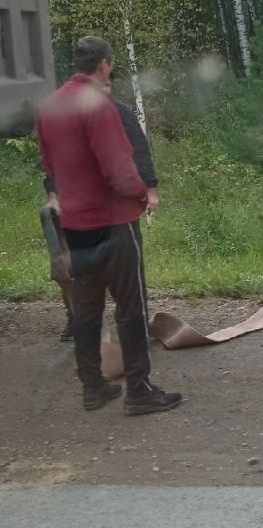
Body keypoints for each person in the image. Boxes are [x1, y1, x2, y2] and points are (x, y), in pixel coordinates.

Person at [36, 36, 182, 415]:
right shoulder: (99, 107)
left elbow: (50, 168)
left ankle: (93, 388)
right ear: (104, 64)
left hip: (77, 229)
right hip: (115, 224)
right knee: (130, 307)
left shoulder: (49, 107)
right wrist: (139, 194)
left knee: (86, 311)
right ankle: (139, 391)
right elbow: (118, 168)